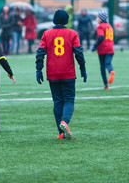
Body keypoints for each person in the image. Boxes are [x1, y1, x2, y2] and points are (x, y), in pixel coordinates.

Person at [36, 9, 87, 140]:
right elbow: (78, 52)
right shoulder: (72, 33)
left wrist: (39, 69)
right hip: (68, 72)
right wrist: (82, 68)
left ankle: (61, 133)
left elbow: (40, 53)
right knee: (69, 99)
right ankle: (64, 122)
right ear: (66, 21)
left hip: (52, 73)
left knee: (57, 101)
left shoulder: (46, 34)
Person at [91, 12, 115, 89]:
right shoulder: (109, 26)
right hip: (111, 48)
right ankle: (111, 70)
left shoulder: (100, 26)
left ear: (101, 18)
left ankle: (105, 84)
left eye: (97, 17)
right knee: (108, 63)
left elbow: (101, 37)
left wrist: (95, 45)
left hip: (102, 48)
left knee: (102, 66)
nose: (96, 19)